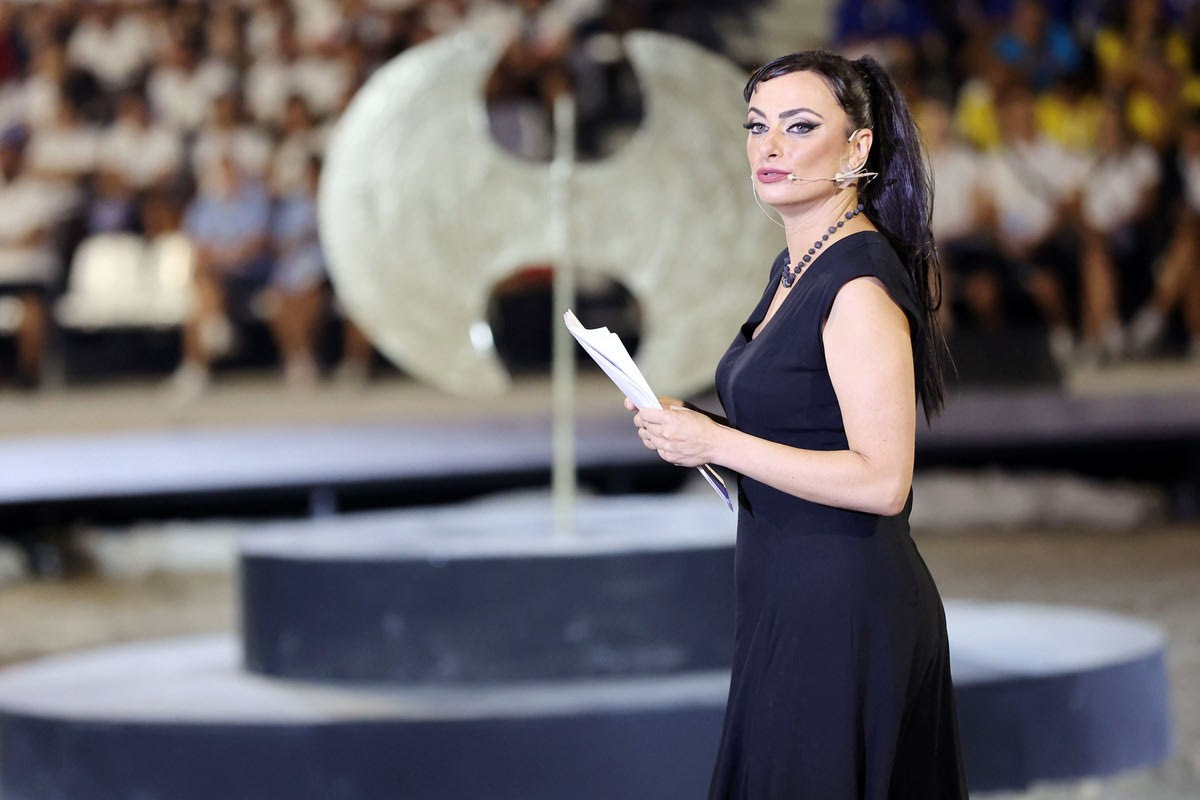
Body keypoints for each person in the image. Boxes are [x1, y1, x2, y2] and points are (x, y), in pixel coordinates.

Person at [625, 51, 968, 798]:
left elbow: (883, 481)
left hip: (842, 607)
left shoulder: (857, 283)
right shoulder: (798, 265)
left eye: (800, 126)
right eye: (757, 126)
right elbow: (800, 427)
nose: (770, 147)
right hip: (788, 594)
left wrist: (719, 441)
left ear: (856, 147)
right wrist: (696, 429)